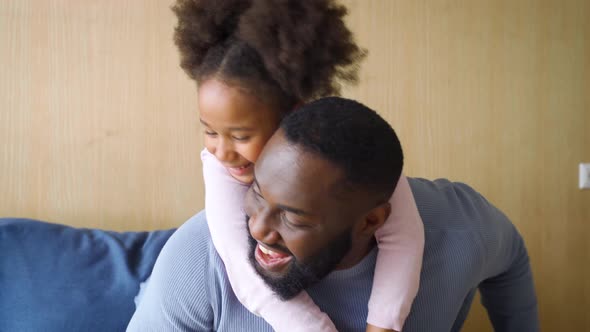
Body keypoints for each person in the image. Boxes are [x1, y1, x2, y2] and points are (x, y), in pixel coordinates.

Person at [127, 97, 540, 331]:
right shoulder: (200, 254)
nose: (257, 228)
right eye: (257, 192)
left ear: (371, 221)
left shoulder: (460, 228)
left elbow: (513, 257)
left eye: (294, 218)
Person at [135, 1, 424, 331]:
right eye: (210, 131)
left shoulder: (351, 154)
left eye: (241, 136)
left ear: (291, 115)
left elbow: (404, 236)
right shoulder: (219, 171)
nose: (223, 153)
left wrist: (384, 325)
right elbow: (244, 269)